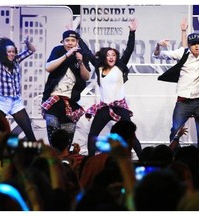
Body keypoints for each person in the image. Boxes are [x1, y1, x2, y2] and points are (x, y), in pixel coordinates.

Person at [78, 19, 142, 157]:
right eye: (108, 55)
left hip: (120, 107)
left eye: (113, 55)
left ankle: (143, 158)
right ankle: (90, 160)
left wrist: (132, 32)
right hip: (105, 107)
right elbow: (87, 52)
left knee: (131, 135)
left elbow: (129, 49)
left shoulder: (120, 66)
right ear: (104, 57)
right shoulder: (99, 67)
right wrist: (77, 38)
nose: (111, 57)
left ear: (117, 57)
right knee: (93, 135)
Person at [152, 20, 199, 148]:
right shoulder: (183, 53)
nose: (197, 46)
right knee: (175, 130)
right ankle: (174, 157)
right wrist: (158, 45)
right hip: (183, 101)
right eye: (194, 44)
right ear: (189, 46)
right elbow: (158, 56)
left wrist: (183, 32)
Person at [41, 30, 91, 146]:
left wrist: (81, 62)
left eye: (73, 40)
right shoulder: (58, 50)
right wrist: (66, 55)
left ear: (77, 42)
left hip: (70, 102)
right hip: (53, 99)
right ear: (62, 42)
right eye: (67, 40)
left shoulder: (82, 54)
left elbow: (86, 77)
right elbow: (48, 68)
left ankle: (64, 160)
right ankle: (54, 160)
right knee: (53, 132)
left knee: (67, 137)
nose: (70, 43)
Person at [0, 30, 36, 141]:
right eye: (9, 52)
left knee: (29, 133)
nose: (11, 54)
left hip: (16, 102)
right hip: (2, 102)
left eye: (13, 52)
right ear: (5, 52)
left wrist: (28, 43)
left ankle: (35, 157)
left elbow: (32, 50)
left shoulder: (17, 60)